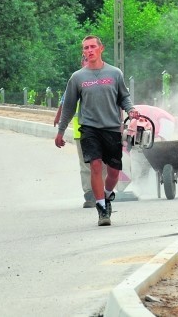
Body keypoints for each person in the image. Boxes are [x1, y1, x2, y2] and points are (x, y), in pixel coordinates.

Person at [55, 35, 138, 226]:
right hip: (89, 128)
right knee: (95, 165)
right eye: (85, 48)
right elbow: (68, 106)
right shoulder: (77, 77)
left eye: (92, 47)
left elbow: (124, 97)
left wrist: (131, 110)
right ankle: (101, 208)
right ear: (83, 52)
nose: (89, 50)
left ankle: (108, 196)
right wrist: (60, 131)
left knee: (114, 171)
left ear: (101, 49)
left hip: (112, 128)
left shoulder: (115, 73)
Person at [53, 56, 106, 209]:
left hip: (104, 129)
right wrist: (59, 120)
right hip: (81, 130)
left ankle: (100, 191)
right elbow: (66, 102)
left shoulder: (104, 80)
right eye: (85, 62)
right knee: (85, 164)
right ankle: (90, 194)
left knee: (102, 163)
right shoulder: (76, 80)